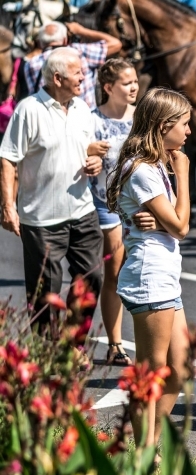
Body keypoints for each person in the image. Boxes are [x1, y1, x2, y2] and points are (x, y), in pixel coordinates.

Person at [106, 88, 193, 446]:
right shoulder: (144, 169)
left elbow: (167, 223)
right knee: (153, 372)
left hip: (164, 277)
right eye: (184, 124)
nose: (189, 133)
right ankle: (143, 452)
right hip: (148, 277)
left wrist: (161, 223)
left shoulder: (155, 164)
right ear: (163, 125)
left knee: (180, 369)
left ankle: (148, 440)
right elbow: (182, 227)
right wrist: (184, 174)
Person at [0, 48, 103, 329]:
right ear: (57, 78)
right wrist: (8, 206)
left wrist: (95, 159)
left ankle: (73, 345)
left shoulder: (83, 108)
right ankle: (46, 357)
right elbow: (8, 159)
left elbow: (88, 149)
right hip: (42, 220)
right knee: (46, 291)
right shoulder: (28, 110)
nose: (84, 77)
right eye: (78, 72)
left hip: (83, 212)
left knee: (92, 279)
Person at [91, 58, 139, 366]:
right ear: (109, 88)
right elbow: (78, 151)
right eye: (127, 82)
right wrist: (89, 154)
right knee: (114, 273)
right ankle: (116, 342)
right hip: (104, 204)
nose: (134, 87)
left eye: (135, 80)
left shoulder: (142, 117)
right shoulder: (92, 120)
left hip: (138, 204)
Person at [24, 21, 122, 109]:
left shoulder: (30, 64)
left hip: (46, 119)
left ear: (41, 43)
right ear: (65, 40)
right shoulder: (78, 52)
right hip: (84, 118)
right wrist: (80, 30)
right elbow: (116, 44)